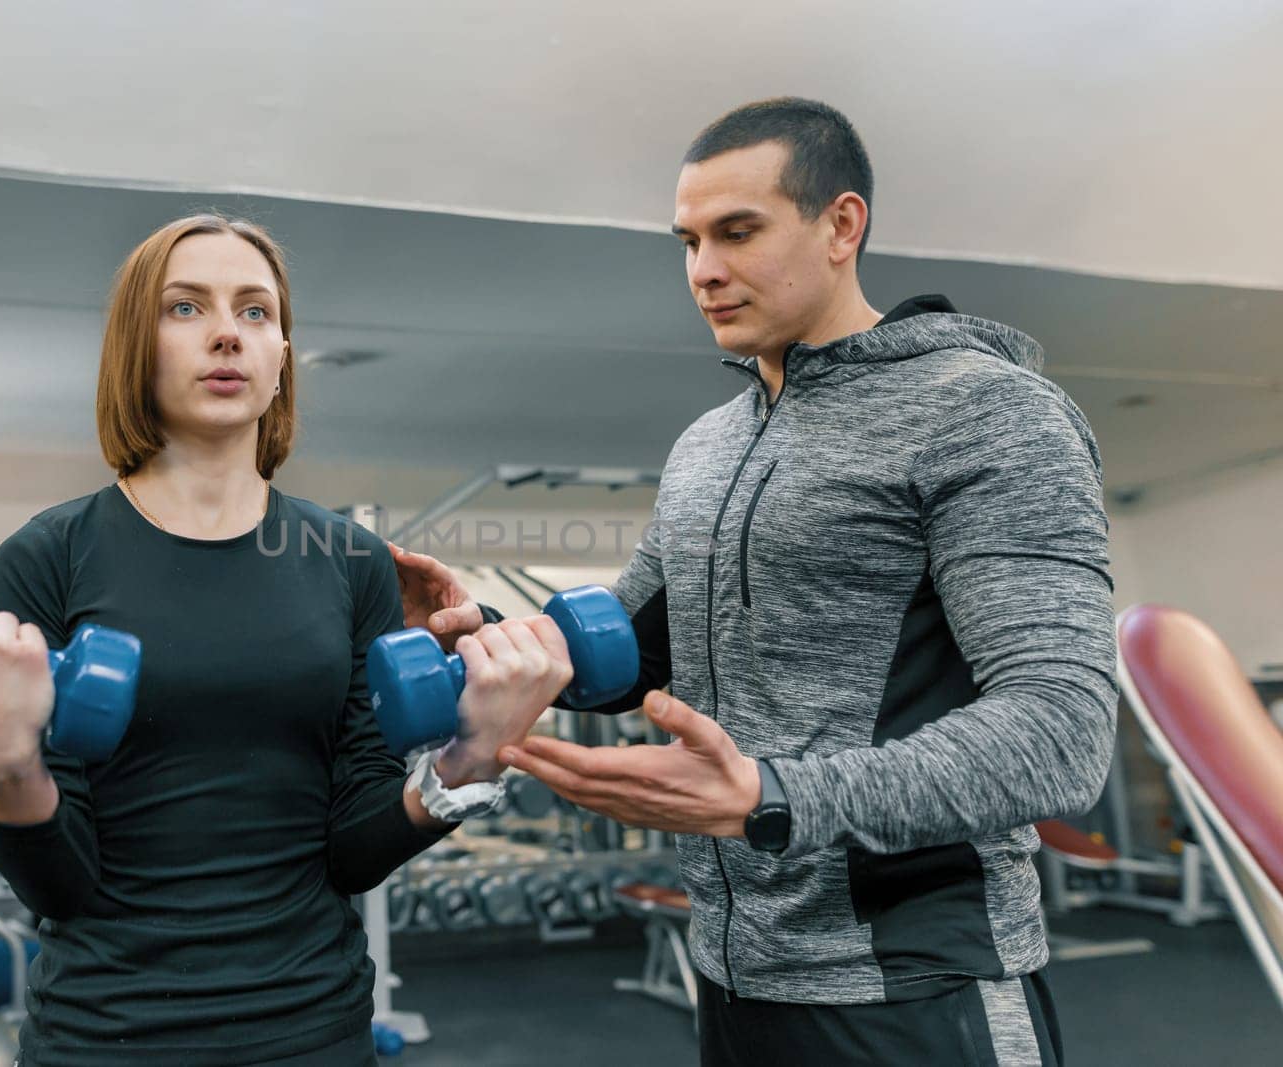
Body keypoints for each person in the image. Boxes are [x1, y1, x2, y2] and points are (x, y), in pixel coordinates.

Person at [392, 98, 1117, 1065]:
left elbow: (1062, 729)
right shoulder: (709, 443)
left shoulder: (987, 413)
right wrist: (482, 629)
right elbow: (637, 642)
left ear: (841, 225)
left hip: (916, 982)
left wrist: (771, 795)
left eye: (738, 232)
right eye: (688, 241)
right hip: (737, 974)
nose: (704, 271)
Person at [0, 214, 574, 1065]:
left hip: (313, 1026)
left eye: (255, 312)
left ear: (282, 356)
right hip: (108, 1032)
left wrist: (471, 760)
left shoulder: (350, 561)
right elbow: (58, 882)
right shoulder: (52, 555)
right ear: (133, 346)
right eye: (186, 308)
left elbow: (353, 848)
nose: (227, 332)